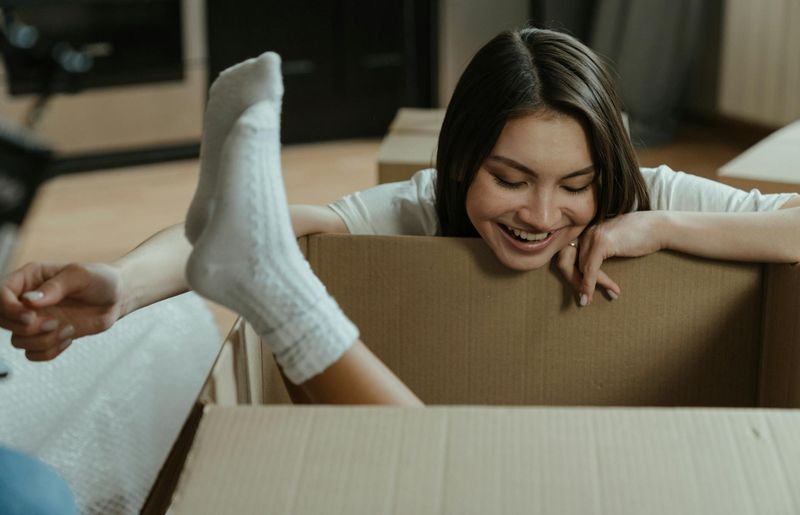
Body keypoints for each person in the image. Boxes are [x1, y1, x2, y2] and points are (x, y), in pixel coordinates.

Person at [1, 28, 798, 406]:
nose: (540, 213)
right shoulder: (421, 205)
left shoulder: (647, 198)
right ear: (459, 163)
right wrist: (122, 286)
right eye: (509, 178)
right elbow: (248, 227)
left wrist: (660, 227)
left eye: (575, 186)